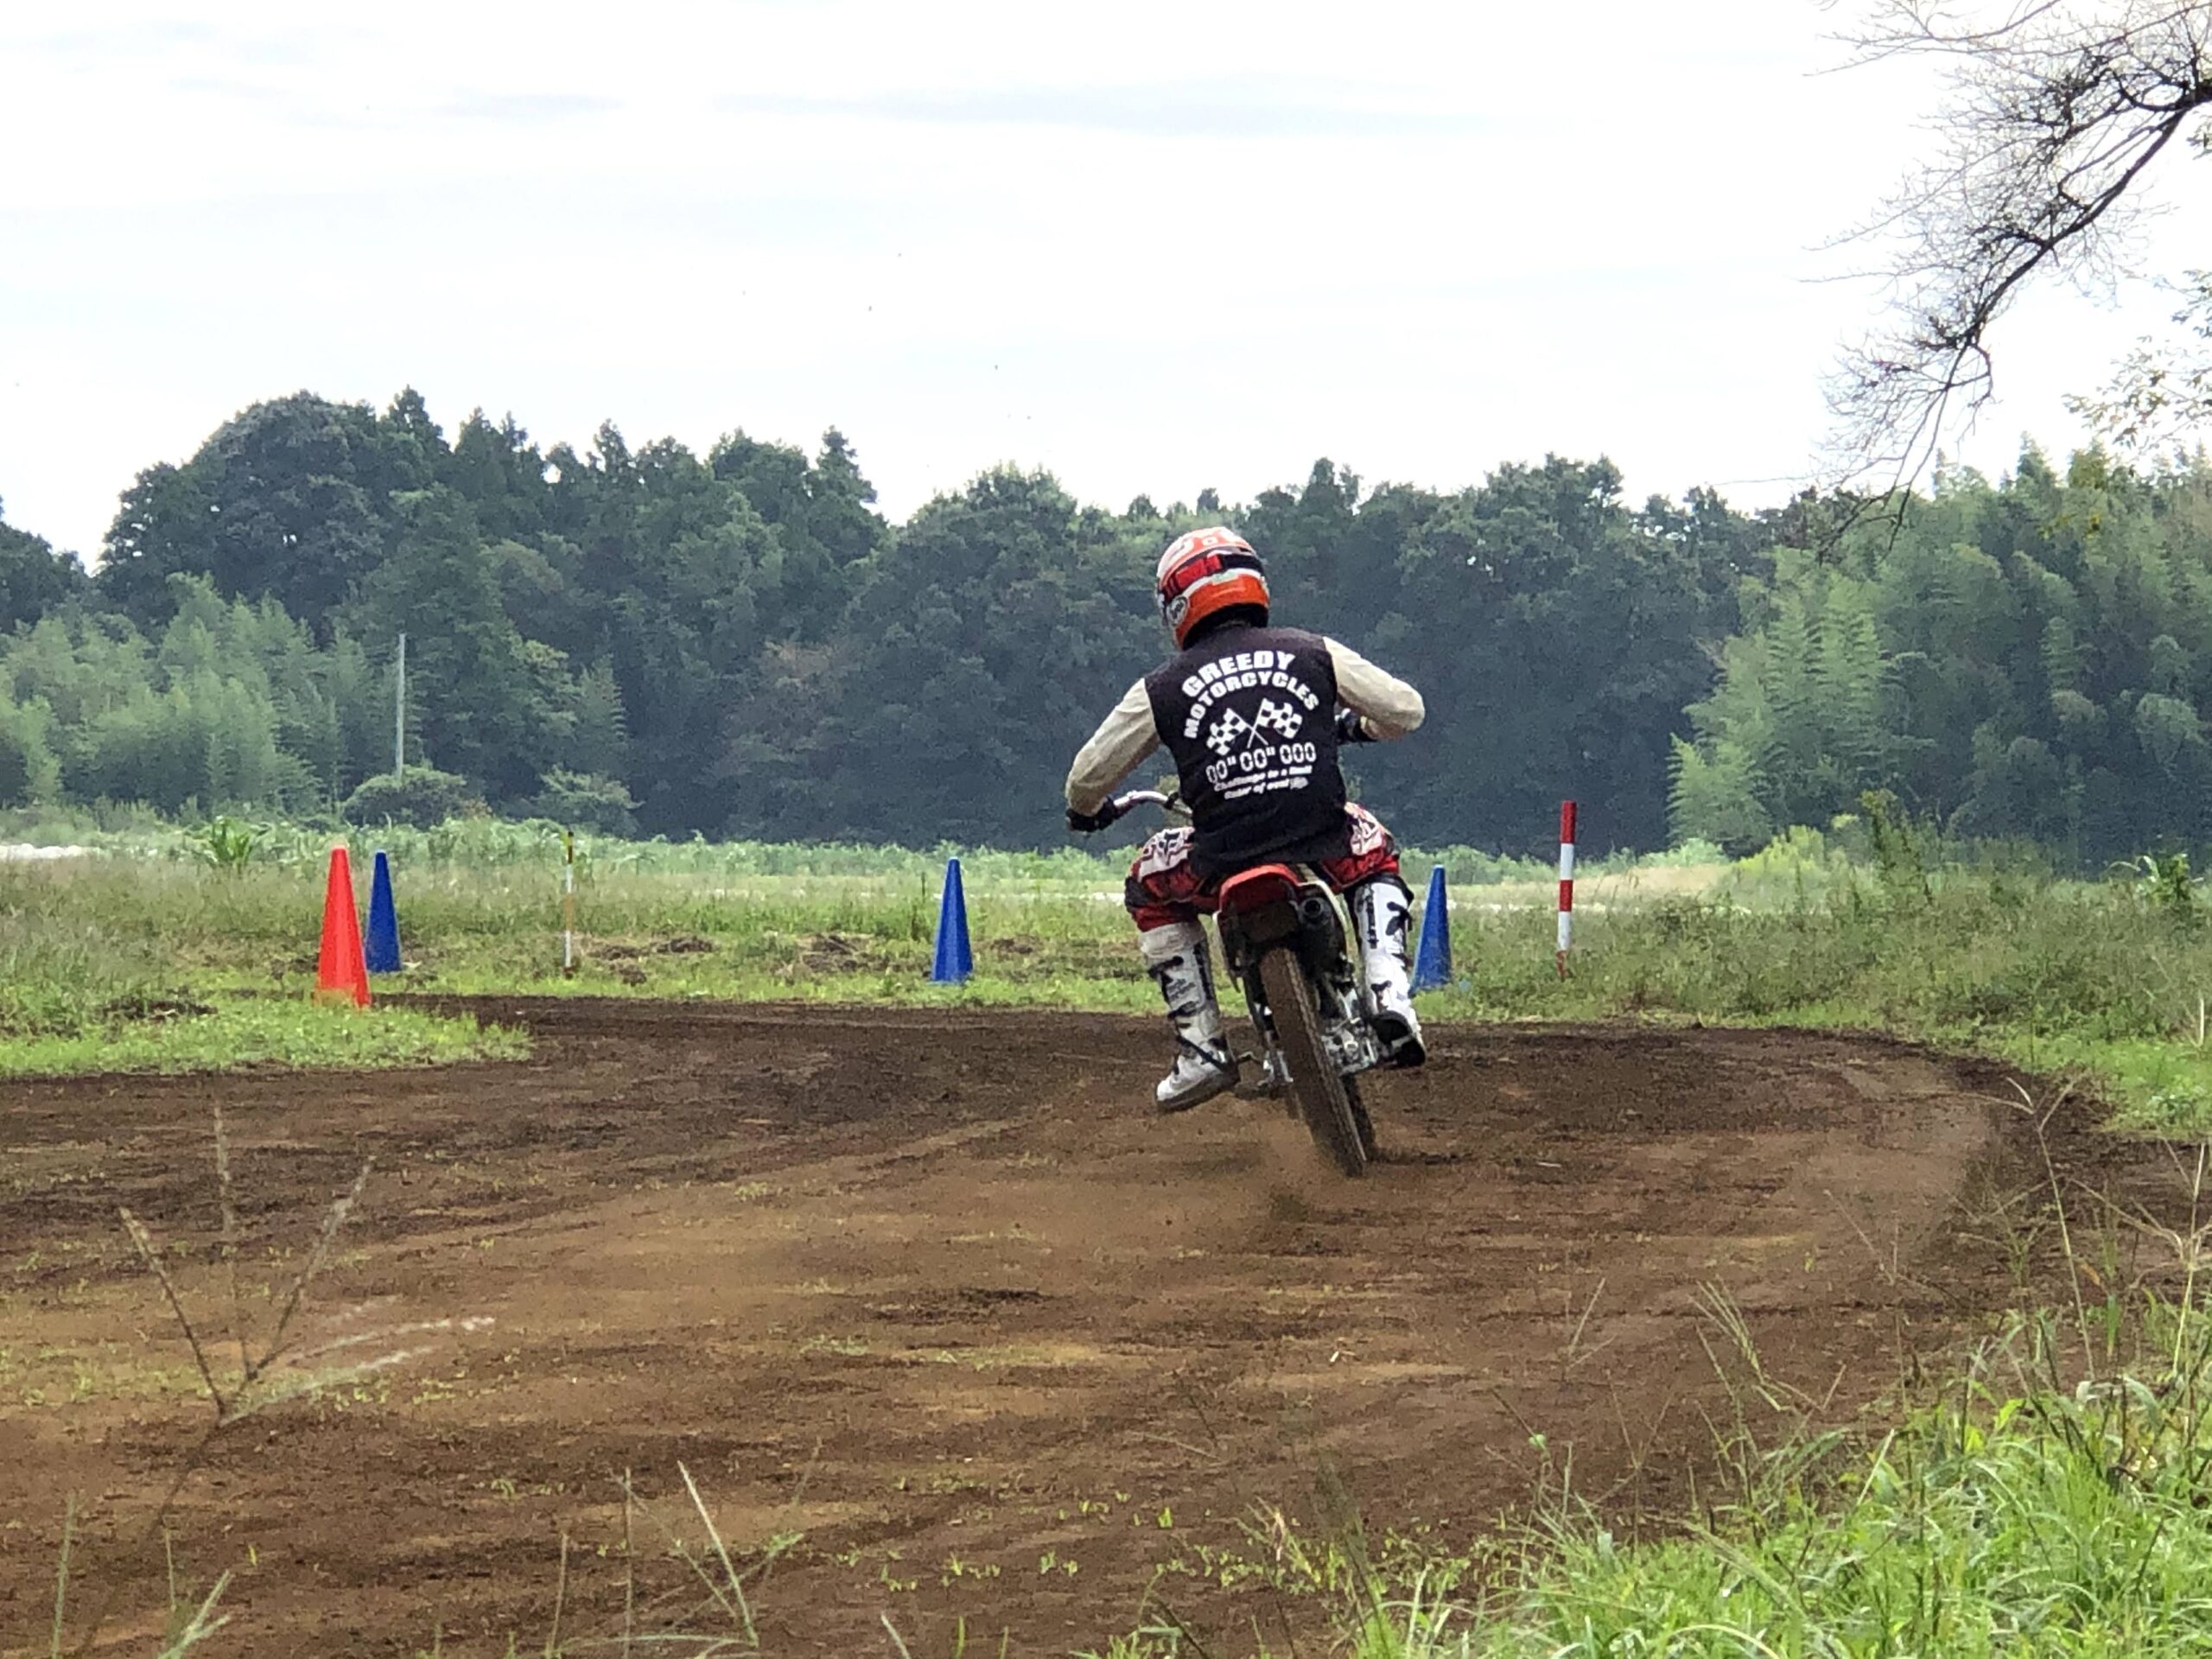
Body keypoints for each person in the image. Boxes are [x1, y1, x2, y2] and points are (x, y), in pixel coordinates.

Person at [1064, 526, 1427, 1112]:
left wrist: (1087, 812)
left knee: (1146, 885)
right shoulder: (1312, 650)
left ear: (1175, 605)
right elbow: (1406, 710)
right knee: (1376, 853)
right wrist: (1360, 727)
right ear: (1255, 582)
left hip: (1219, 856)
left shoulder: (1161, 688)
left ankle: (1201, 1047)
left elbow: (1086, 777)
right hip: (1322, 837)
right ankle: (1388, 991)